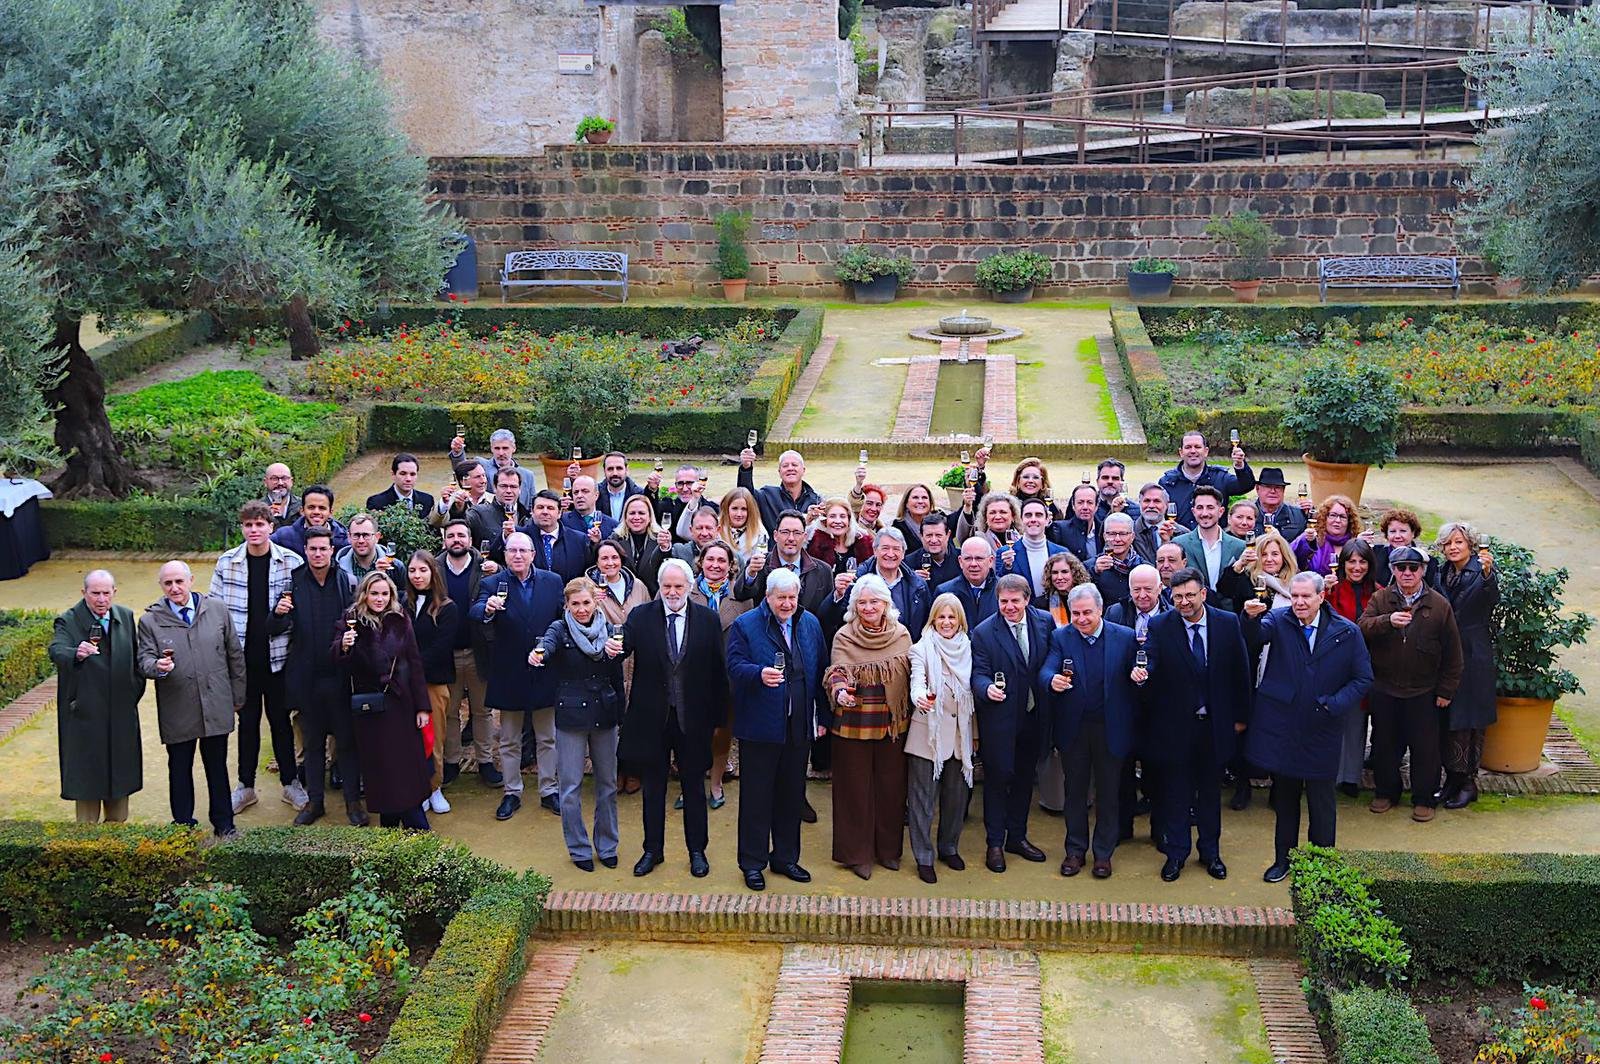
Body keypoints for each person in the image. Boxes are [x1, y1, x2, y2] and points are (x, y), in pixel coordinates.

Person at [1243, 572, 1373, 883]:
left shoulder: (1347, 632)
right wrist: (1248, 619)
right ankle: (1282, 861)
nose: (1299, 602)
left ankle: (1321, 867)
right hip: (1284, 727)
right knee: (1285, 800)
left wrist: (1335, 704)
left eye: (1305, 597)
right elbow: (1253, 638)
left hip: (1322, 729)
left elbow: (1363, 678)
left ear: (1320, 597)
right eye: (1295, 596)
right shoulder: (1278, 620)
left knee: (1322, 804)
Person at [612, 558, 729, 879]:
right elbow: (622, 646)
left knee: (693, 788)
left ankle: (697, 851)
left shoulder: (707, 619)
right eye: (667, 586)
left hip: (695, 720)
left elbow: (718, 672)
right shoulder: (641, 616)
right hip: (652, 719)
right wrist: (611, 644)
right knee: (653, 788)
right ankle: (653, 850)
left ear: (690, 587)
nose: (673, 592)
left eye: (679, 586)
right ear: (659, 588)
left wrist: (719, 719)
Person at [1143, 568, 1251, 882]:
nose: (1185, 602)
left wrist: (1241, 718)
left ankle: (1210, 853)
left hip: (1215, 726)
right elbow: (1151, 663)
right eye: (1178, 597)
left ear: (1203, 593)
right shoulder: (1160, 626)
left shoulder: (1227, 623)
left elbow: (1240, 674)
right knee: (1176, 793)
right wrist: (1142, 674)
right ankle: (1176, 854)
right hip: (1176, 728)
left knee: (1209, 793)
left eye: (1190, 595)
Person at [726, 567, 825, 890]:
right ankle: (752, 862)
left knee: (791, 795)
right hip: (760, 726)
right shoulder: (745, 625)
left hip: (798, 725)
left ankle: (785, 858)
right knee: (756, 798)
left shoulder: (809, 623)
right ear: (767, 597)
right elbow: (733, 666)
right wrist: (758, 674)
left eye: (792, 597)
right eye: (780, 598)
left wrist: (822, 718)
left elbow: (822, 670)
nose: (786, 604)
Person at [1041, 584, 1144, 879]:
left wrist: (1138, 676)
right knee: (1075, 793)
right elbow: (1046, 669)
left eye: (1088, 612)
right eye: (1076, 613)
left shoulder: (1124, 637)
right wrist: (1052, 680)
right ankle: (1075, 851)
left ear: (1100, 609)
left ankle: (1103, 854)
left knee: (1109, 794)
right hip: (1074, 730)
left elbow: (1136, 672)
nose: (1082, 619)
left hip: (1111, 729)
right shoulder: (1061, 637)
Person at [136, 562, 243, 836]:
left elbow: (235, 655)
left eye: (179, 582)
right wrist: (156, 667)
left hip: (216, 703)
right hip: (177, 708)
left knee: (217, 767)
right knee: (180, 769)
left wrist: (238, 696)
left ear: (191, 580)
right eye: (168, 583)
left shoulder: (217, 609)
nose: (175, 588)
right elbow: (143, 660)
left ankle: (224, 825)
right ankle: (183, 827)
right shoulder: (150, 620)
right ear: (161, 586)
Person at [1358, 544, 1464, 823]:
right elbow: (1361, 627)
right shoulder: (1380, 599)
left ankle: (1424, 798)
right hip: (1385, 687)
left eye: (1413, 568)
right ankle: (1385, 792)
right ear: (1392, 570)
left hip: (1424, 691)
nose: (1407, 572)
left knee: (1426, 749)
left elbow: (1453, 654)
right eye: (1401, 567)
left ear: (1423, 571)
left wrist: (1446, 691)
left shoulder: (1440, 605)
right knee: (1384, 745)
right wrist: (1387, 621)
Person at [212, 502, 305, 815]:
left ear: (271, 527)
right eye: (248, 525)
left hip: (278, 658)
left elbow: (299, 612)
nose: (254, 530)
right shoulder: (227, 563)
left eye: (260, 524)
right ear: (242, 528)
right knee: (247, 723)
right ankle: (246, 786)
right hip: (242, 662)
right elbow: (214, 612)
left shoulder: (290, 562)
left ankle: (291, 784)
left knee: (280, 722)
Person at [532, 577, 626, 871]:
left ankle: (607, 844)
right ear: (567, 605)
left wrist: (621, 710)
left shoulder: (610, 631)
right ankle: (579, 848)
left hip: (604, 713)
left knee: (607, 784)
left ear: (595, 601)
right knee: (570, 788)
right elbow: (545, 645)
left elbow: (616, 676)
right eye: (575, 604)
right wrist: (539, 654)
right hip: (571, 715)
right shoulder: (559, 630)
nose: (582, 609)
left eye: (586, 603)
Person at [824, 575, 913, 880]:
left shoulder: (901, 635)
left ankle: (888, 850)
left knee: (891, 790)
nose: (868, 607)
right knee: (854, 792)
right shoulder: (844, 636)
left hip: (892, 727)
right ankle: (857, 854)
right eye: (862, 602)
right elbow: (835, 671)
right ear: (854, 606)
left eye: (874, 601)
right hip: (852, 726)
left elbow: (915, 674)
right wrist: (839, 692)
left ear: (886, 604)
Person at [471, 532, 564, 820]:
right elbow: (474, 611)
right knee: (510, 739)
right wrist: (486, 608)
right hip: (509, 670)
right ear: (506, 554)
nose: (518, 556)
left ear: (533, 554)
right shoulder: (491, 583)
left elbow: (562, 618)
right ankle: (512, 792)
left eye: (524, 550)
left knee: (547, 737)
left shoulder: (553, 581)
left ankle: (549, 790)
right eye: (512, 551)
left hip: (544, 667)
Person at [334, 572, 433, 830]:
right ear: (365, 594)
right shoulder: (351, 620)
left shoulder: (401, 620)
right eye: (374, 593)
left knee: (406, 768)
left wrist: (422, 706)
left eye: (384, 593)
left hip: (401, 705)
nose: (379, 599)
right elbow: (336, 657)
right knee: (382, 771)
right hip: (371, 709)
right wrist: (344, 646)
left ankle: (412, 828)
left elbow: (414, 663)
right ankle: (397, 827)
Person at [970, 574, 1053, 873]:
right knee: (997, 780)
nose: (1009, 607)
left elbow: (1050, 661)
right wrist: (985, 688)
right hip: (1000, 720)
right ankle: (994, 843)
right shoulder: (983, 632)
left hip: (1034, 716)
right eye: (1003, 602)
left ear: (1027, 600)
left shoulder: (1044, 622)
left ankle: (1017, 837)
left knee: (1024, 779)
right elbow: (978, 672)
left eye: (1015, 601)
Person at [51, 570, 145, 824]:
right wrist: (76, 653)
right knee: (88, 792)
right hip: (85, 718)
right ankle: (88, 852)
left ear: (115, 592)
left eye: (106, 593)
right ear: (84, 593)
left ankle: (116, 850)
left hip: (121, 716)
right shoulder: (67, 620)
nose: (101, 599)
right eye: (95, 593)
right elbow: (57, 650)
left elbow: (136, 662)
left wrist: (130, 694)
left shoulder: (125, 616)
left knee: (120, 792)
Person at [281, 529, 360, 825]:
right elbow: (276, 626)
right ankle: (315, 802)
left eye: (323, 549)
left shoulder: (345, 581)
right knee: (313, 745)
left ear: (331, 550)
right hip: (307, 678)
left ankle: (353, 802)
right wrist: (278, 614)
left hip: (339, 677)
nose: (317, 554)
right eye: (312, 549)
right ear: (305, 550)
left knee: (347, 743)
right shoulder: (294, 582)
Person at [906, 593, 976, 883]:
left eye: (952, 617)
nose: (946, 623)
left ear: (960, 621)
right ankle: (924, 856)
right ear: (932, 619)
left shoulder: (970, 647)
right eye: (941, 617)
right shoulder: (920, 648)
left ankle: (949, 847)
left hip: (961, 734)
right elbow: (917, 681)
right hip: (928, 734)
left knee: (956, 798)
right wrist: (920, 698)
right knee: (922, 800)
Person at [1435, 523, 1498, 809]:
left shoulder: (1481, 570)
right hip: (1447, 652)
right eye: (1448, 543)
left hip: (1474, 652)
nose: (1453, 547)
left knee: (1470, 719)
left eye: (1458, 542)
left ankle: (1468, 783)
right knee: (1448, 717)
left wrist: (1488, 576)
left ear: (1470, 544)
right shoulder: (1441, 571)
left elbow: (1491, 598)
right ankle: (1452, 777)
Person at [1106, 562, 1170, 842]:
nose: (1142, 595)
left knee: (1157, 770)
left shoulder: (1171, 614)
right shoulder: (1116, 612)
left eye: (1148, 589)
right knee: (1121, 770)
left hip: (1158, 705)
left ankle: (1160, 829)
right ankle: (1123, 827)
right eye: (1136, 590)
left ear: (1160, 588)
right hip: (1125, 703)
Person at [435, 520, 501, 789]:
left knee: (482, 711)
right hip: (446, 653)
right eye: (451, 536)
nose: (457, 540)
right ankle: (451, 762)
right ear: (444, 541)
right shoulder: (434, 568)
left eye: (461, 535)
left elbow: (504, 586)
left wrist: (499, 568)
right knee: (450, 713)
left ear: (470, 539)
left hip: (478, 651)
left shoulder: (485, 567)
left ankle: (485, 761)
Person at [691, 541, 753, 809]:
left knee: (721, 734)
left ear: (731, 566)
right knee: (691, 735)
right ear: (701, 562)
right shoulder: (684, 589)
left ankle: (716, 783)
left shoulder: (742, 597)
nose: (715, 565)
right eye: (710, 559)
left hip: (727, 678)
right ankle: (690, 786)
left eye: (721, 561)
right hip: (690, 677)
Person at [406, 551, 460, 817]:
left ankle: (434, 787)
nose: (417, 576)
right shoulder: (401, 604)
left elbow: (440, 648)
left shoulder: (447, 608)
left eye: (423, 571)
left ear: (433, 573)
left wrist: (408, 667)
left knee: (433, 738)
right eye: (413, 571)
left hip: (432, 683)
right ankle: (415, 788)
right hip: (402, 685)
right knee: (408, 740)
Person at [1327, 539, 1377, 797]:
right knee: (1334, 719)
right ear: (1343, 564)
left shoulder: (1378, 592)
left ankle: (1350, 777)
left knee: (1357, 723)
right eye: (1352, 562)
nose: (1357, 567)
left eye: (1362, 562)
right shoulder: (1333, 590)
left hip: (1365, 664)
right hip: (1335, 663)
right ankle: (1331, 774)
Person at [733, 509, 832, 616]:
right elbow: (741, 594)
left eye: (797, 533)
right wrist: (750, 573)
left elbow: (828, 614)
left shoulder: (823, 571)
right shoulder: (759, 564)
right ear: (775, 535)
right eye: (785, 532)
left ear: (805, 537)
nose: (791, 538)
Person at [842, 528, 932, 641]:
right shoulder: (858, 581)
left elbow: (927, 623)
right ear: (875, 550)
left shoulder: (919, 585)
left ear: (903, 553)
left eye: (896, 549)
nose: (890, 554)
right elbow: (839, 617)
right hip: (867, 649)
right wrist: (837, 593)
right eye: (885, 548)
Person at [1158, 430, 1256, 526]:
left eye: (1197, 447)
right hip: (1178, 540)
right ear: (1181, 452)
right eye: (1188, 447)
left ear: (1206, 451)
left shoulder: (1220, 478)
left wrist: (1240, 466)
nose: (1193, 451)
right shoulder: (1167, 482)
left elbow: (1247, 485)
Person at [1173, 486, 1246, 604]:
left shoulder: (1239, 547)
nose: (1205, 513)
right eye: (1200, 508)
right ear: (1193, 511)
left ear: (1221, 511)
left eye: (1210, 508)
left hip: (1230, 614)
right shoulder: (1179, 544)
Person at [448, 427, 538, 510]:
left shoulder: (528, 475)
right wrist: (457, 453)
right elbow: (462, 471)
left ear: (513, 448)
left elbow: (532, 507)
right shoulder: (482, 466)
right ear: (491, 448)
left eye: (505, 448)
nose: (501, 453)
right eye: (497, 448)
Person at [738, 446, 824, 532]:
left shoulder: (815, 500)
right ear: (779, 472)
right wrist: (746, 468)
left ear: (803, 470)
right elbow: (745, 496)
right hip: (774, 545)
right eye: (785, 466)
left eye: (794, 465)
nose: (790, 468)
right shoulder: (767, 495)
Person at [1219, 527, 1297, 617]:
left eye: (1275, 554)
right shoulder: (1246, 580)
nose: (1269, 559)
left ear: (1284, 557)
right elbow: (1224, 590)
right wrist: (1238, 565)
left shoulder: (1294, 581)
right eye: (1263, 555)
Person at [1001, 499, 1068, 602]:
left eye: (1038, 515)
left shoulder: (1062, 552)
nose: (1033, 519)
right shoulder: (1006, 553)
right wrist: (1007, 567)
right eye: (1028, 515)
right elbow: (1000, 588)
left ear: (1047, 520)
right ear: (1021, 519)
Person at [522, 490, 591, 584]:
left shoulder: (578, 540)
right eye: (540, 507)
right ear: (532, 512)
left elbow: (587, 572)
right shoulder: (521, 537)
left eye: (550, 508)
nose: (545, 512)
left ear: (559, 513)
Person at [610, 494, 671, 598]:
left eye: (641, 513)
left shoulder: (660, 538)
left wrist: (665, 549)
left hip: (653, 598)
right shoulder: (615, 538)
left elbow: (664, 569)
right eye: (632, 513)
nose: (636, 517)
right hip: (624, 598)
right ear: (625, 516)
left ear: (649, 516)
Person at [1369, 508, 1442, 588]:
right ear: (1387, 534)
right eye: (1392, 531)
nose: (1397, 536)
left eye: (1403, 531)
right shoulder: (1374, 554)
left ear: (1413, 533)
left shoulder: (1428, 562)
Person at [937, 537, 999, 630]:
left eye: (979, 558)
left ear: (990, 561)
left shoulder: (1003, 591)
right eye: (968, 559)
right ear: (960, 562)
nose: (973, 564)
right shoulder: (945, 592)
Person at [336, 513, 407, 594]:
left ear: (377, 537)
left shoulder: (395, 568)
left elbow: (403, 600)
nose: (361, 541)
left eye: (366, 535)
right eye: (356, 535)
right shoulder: (339, 569)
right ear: (349, 537)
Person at [1292, 494, 1362, 576]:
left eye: (1343, 517)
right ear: (1325, 517)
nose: (1338, 520)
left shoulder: (1355, 542)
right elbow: (1288, 554)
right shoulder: (1312, 537)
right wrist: (1306, 542)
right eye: (1333, 515)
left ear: (1349, 521)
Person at [271, 485, 349, 557]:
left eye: (322, 508)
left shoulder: (343, 541)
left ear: (330, 512)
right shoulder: (283, 537)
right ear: (302, 511)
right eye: (311, 507)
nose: (316, 512)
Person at [475, 467, 531, 563]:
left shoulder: (529, 517)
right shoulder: (479, 513)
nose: (508, 491)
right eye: (504, 486)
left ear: (520, 489)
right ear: (494, 488)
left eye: (513, 487)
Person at [807, 497, 872, 573]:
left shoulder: (862, 545)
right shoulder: (815, 546)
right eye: (832, 516)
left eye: (842, 516)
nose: (838, 521)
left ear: (849, 520)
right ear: (825, 521)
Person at [1090, 512, 1141, 608]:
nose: (1117, 539)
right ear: (1104, 536)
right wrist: (1095, 573)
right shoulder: (1090, 566)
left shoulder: (1144, 568)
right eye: (1112, 534)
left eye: (1123, 534)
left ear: (1132, 537)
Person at [661, 463, 719, 543]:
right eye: (680, 484)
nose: (684, 489)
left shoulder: (712, 509)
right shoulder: (667, 507)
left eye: (689, 483)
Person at [365, 452, 434, 518]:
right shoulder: (376, 502)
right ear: (393, 475)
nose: (408, 479)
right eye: (403, 473)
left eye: (412, 474)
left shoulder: (427, 500)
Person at [1049, 484, 1103, 563]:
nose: (1085, 507)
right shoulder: (1060, 529)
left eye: (1090, 502)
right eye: (1080, 502)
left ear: (1096, 506)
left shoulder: (1103, 529)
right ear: (1073, 505)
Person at [1252, 467, 1309, 542]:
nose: (1273, 491)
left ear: (1283, 490)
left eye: (1278, 487)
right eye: (1268, 486)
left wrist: (1312, 514)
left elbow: (1308, 545)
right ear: (1257, 488)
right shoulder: (1246, 515)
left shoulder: (1299, 515)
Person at [432, 461, 491, 530]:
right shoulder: (450, 501)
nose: (483, 481)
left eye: (484, 475)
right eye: (477, 477)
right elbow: (436, 523)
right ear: (463, 481)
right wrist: (444, 504)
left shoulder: (495, 500)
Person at [717, 486, 768, 566]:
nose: (739, 514)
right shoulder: (716, 527)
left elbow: (760, 559)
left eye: (744, 509)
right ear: (727, 508)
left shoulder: (760, 532)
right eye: (734, 508)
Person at [1132, 483, 1182, 564]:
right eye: (1147, 501)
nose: (1151, 506)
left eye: (1157, 501)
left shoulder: (1182, 533)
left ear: (1166, 505)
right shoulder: (1130, 533)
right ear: (1140, 503)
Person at [906, 515, 959, 589]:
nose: (934, 540)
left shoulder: (962, 559)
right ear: (921, 536)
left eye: (938, 535)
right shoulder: (908, 564)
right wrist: (911, 581)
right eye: (929, 535)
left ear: (948, 535)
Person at [1041, 552, 1093, 626]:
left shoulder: (1089, 598)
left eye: (1064, 572)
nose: (1059, 577)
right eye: (1055, 573)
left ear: (1075, 573)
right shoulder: (1041, 604)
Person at [600, 451, 653, 522]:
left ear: (627, 470)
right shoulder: (595, 494)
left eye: (619, 468)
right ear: (604, 471)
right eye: (610, 469)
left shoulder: (638, 494)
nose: (615, 473)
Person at [894, 484, 948, 554]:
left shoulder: (941, 518)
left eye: (924, 497)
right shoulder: (898, 528)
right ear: (906, 503)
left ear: (930, 503)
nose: (920, 501)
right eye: (915, 497)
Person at [563, 475, 620, 542]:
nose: (579, 496)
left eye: (585, 491)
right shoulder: (562, 521)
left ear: (596, 495)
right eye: (576, 492)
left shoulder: (613, 525)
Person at [672, 505, 725, 570]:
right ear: (691, 530)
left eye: (709, 528)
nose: (704, 533)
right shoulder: (680, 552)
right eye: (699, 528)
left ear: (718, 530)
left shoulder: (729, 554)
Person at [260, 463, 299, 528]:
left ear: (291, 481)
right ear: (265, 482)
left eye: (284, 478)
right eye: (274, 478)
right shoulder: (257, 509)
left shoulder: (302, 506)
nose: (280, 483)